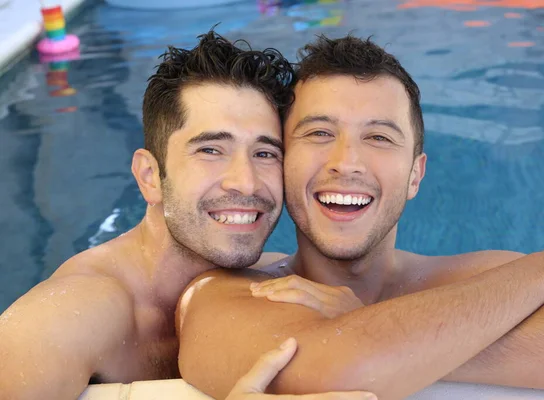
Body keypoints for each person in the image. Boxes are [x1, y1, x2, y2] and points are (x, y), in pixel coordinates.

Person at [177, 34, 544, 400]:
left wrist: (373, 334)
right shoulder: (225, 296)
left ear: (415, 176)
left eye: (379, 137)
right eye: (320, 133)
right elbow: (341, 372)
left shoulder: (480, 276)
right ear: (284, 160)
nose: (347, 162)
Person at [0, 30, 373, 400]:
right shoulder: (69, 317)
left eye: (264, 154)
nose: (245, 183)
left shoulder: (281, 284)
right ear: (150, 177)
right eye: (211, 150)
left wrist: (356, 323)